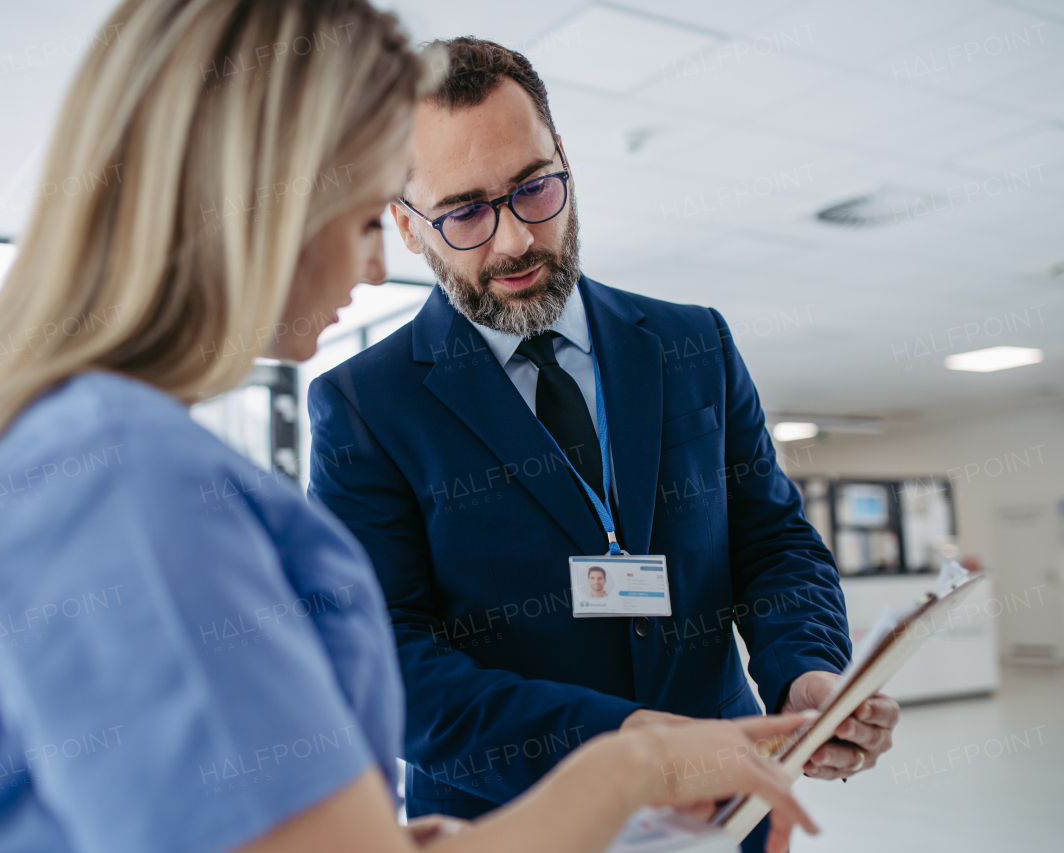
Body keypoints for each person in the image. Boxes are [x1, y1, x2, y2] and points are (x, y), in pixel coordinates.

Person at [0, 3, 817, 853]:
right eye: (375, 215)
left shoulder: (95, 448)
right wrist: (633, 765)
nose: (375, 269)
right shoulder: (118, 476)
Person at [306, 36, 900, 849]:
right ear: (409, 228)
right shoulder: (363, 404)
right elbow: (388, 665)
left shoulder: (695, 343)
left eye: (534, 188)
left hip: (729, 806)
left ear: (567, 164)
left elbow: (772, 541)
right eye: (468, 210)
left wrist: (805, 672)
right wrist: (631, 751)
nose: (514, 240)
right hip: (515, 821)